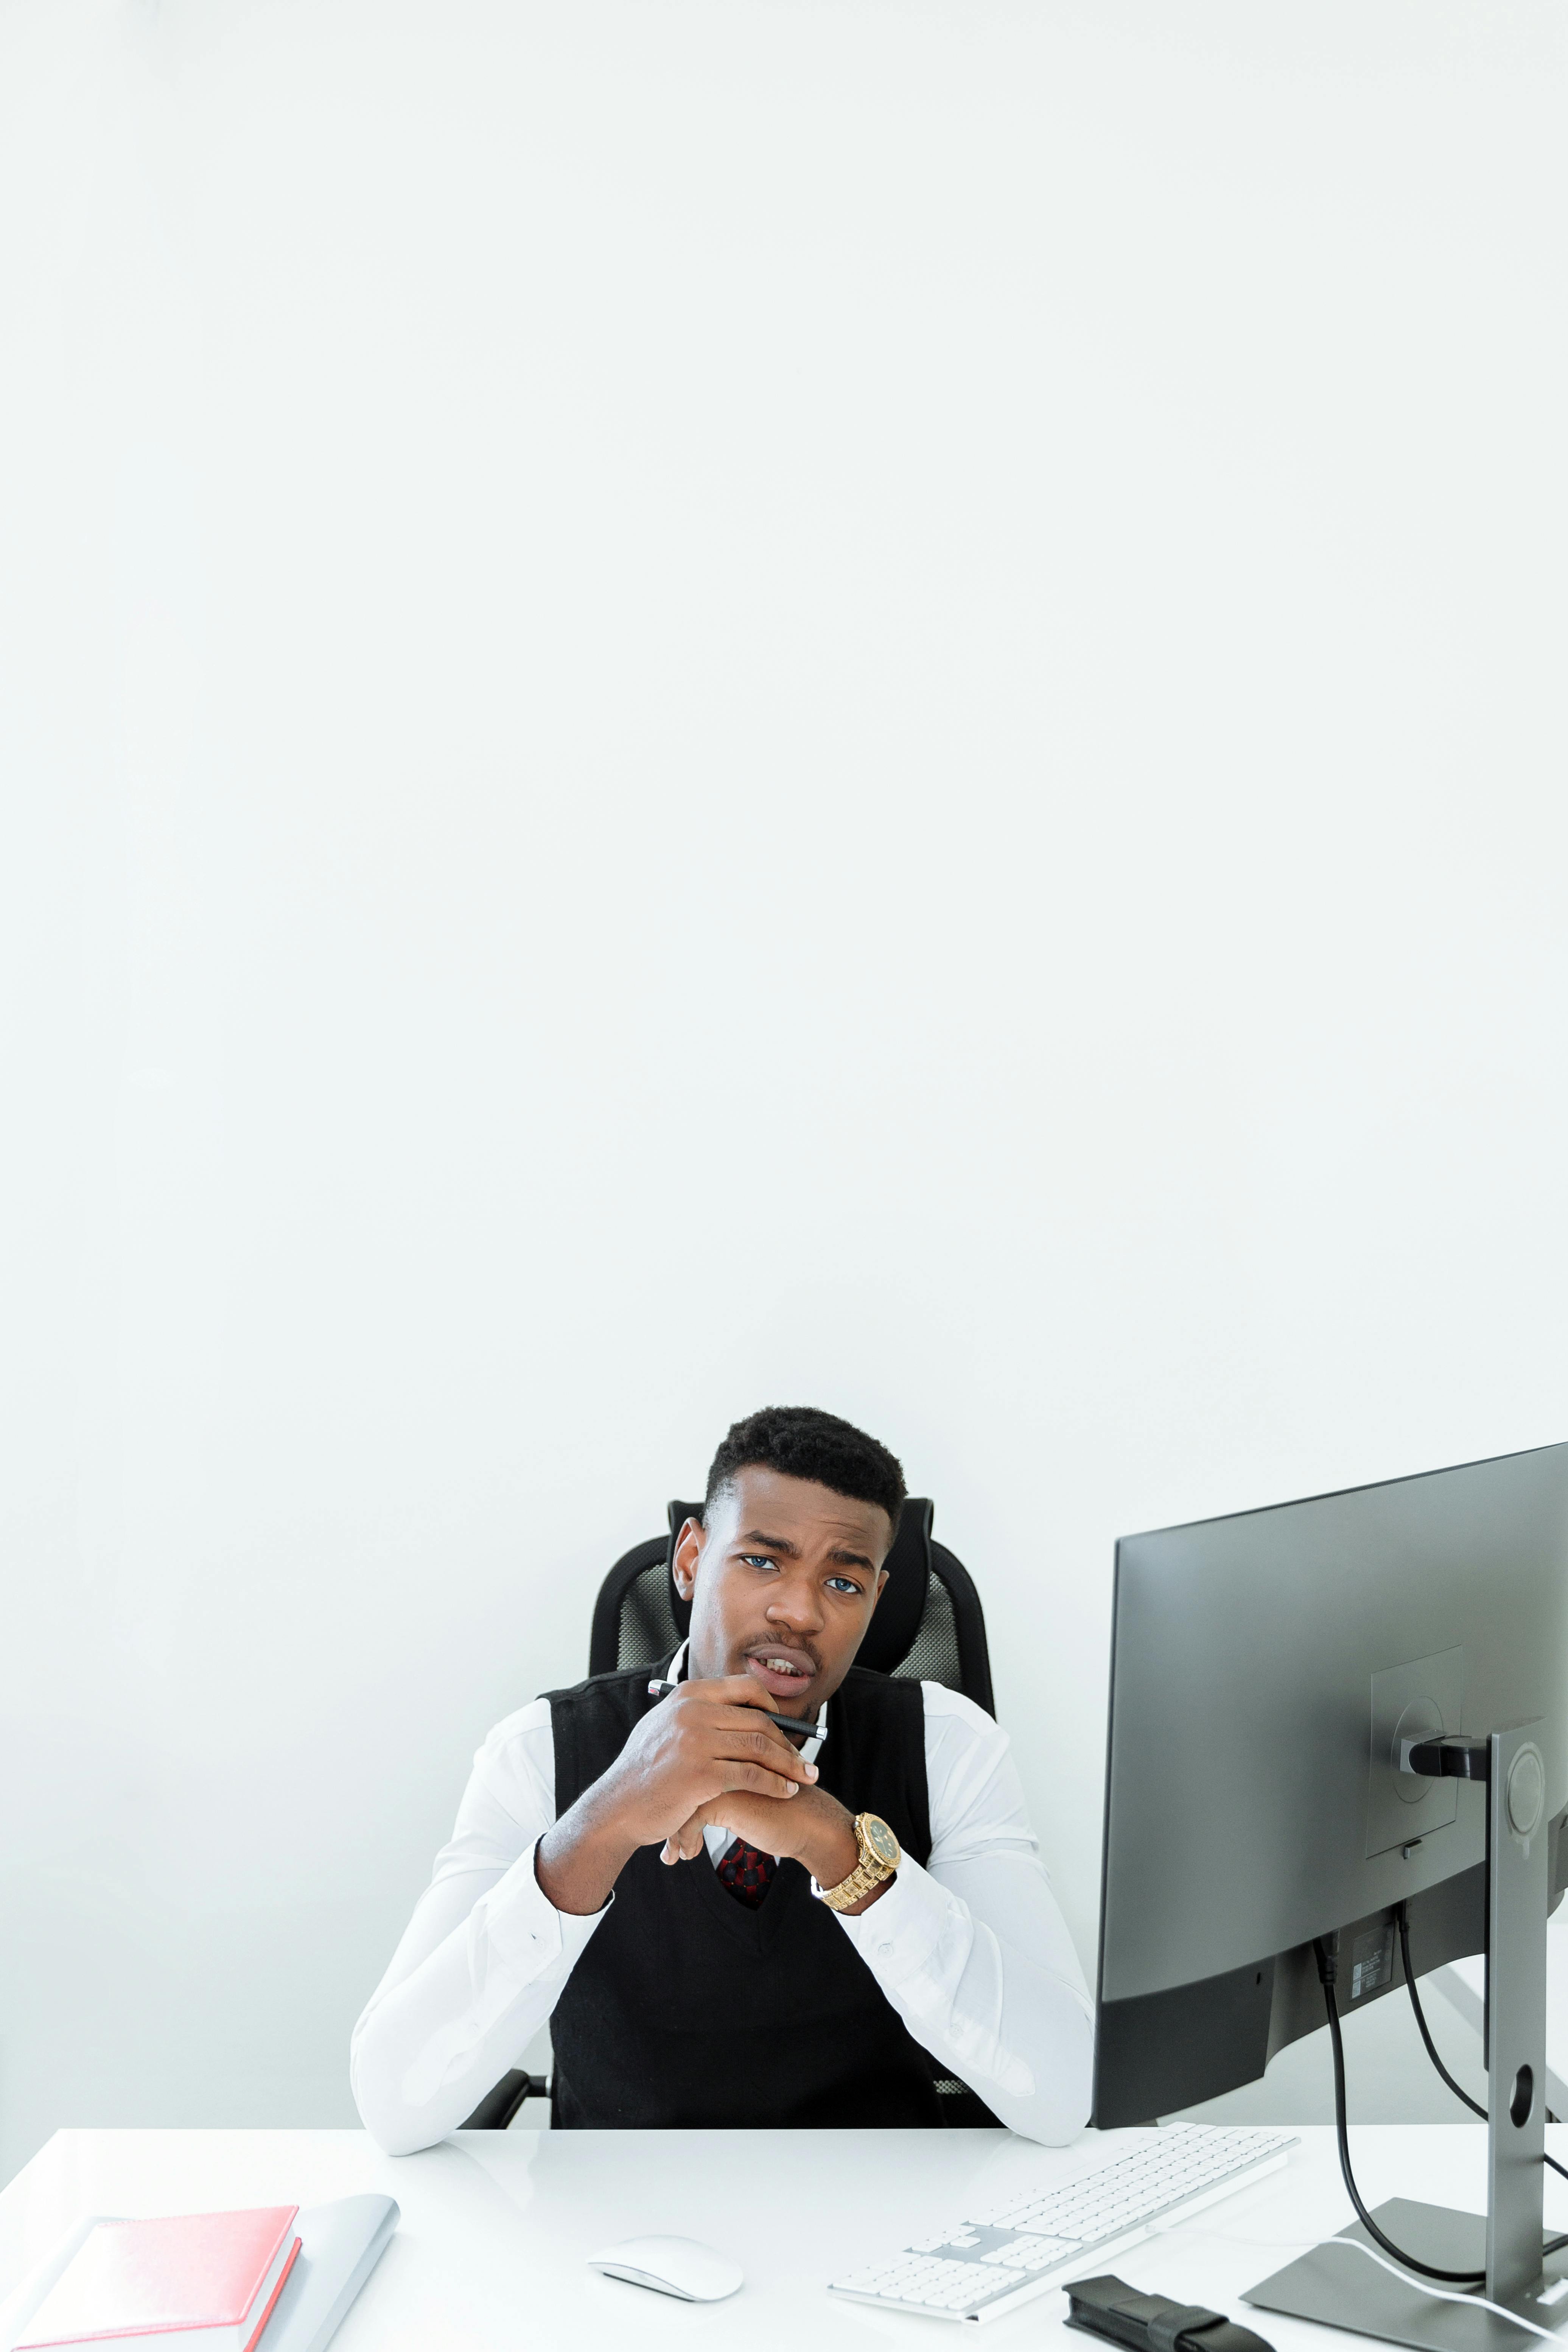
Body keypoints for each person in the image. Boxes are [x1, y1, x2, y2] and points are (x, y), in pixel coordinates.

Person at [351, 1405, 1092, 2149]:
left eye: (842, 1583)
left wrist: (839, 1849)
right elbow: (393, 2108)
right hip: (611, 2230)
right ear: (690, 1559)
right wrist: (602, 1821)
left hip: (880, 2219)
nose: (798, 1612)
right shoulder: (536, 1754)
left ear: (875, 1597)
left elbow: (1064, 2097)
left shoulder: (947, 1745)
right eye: (761, 1561)